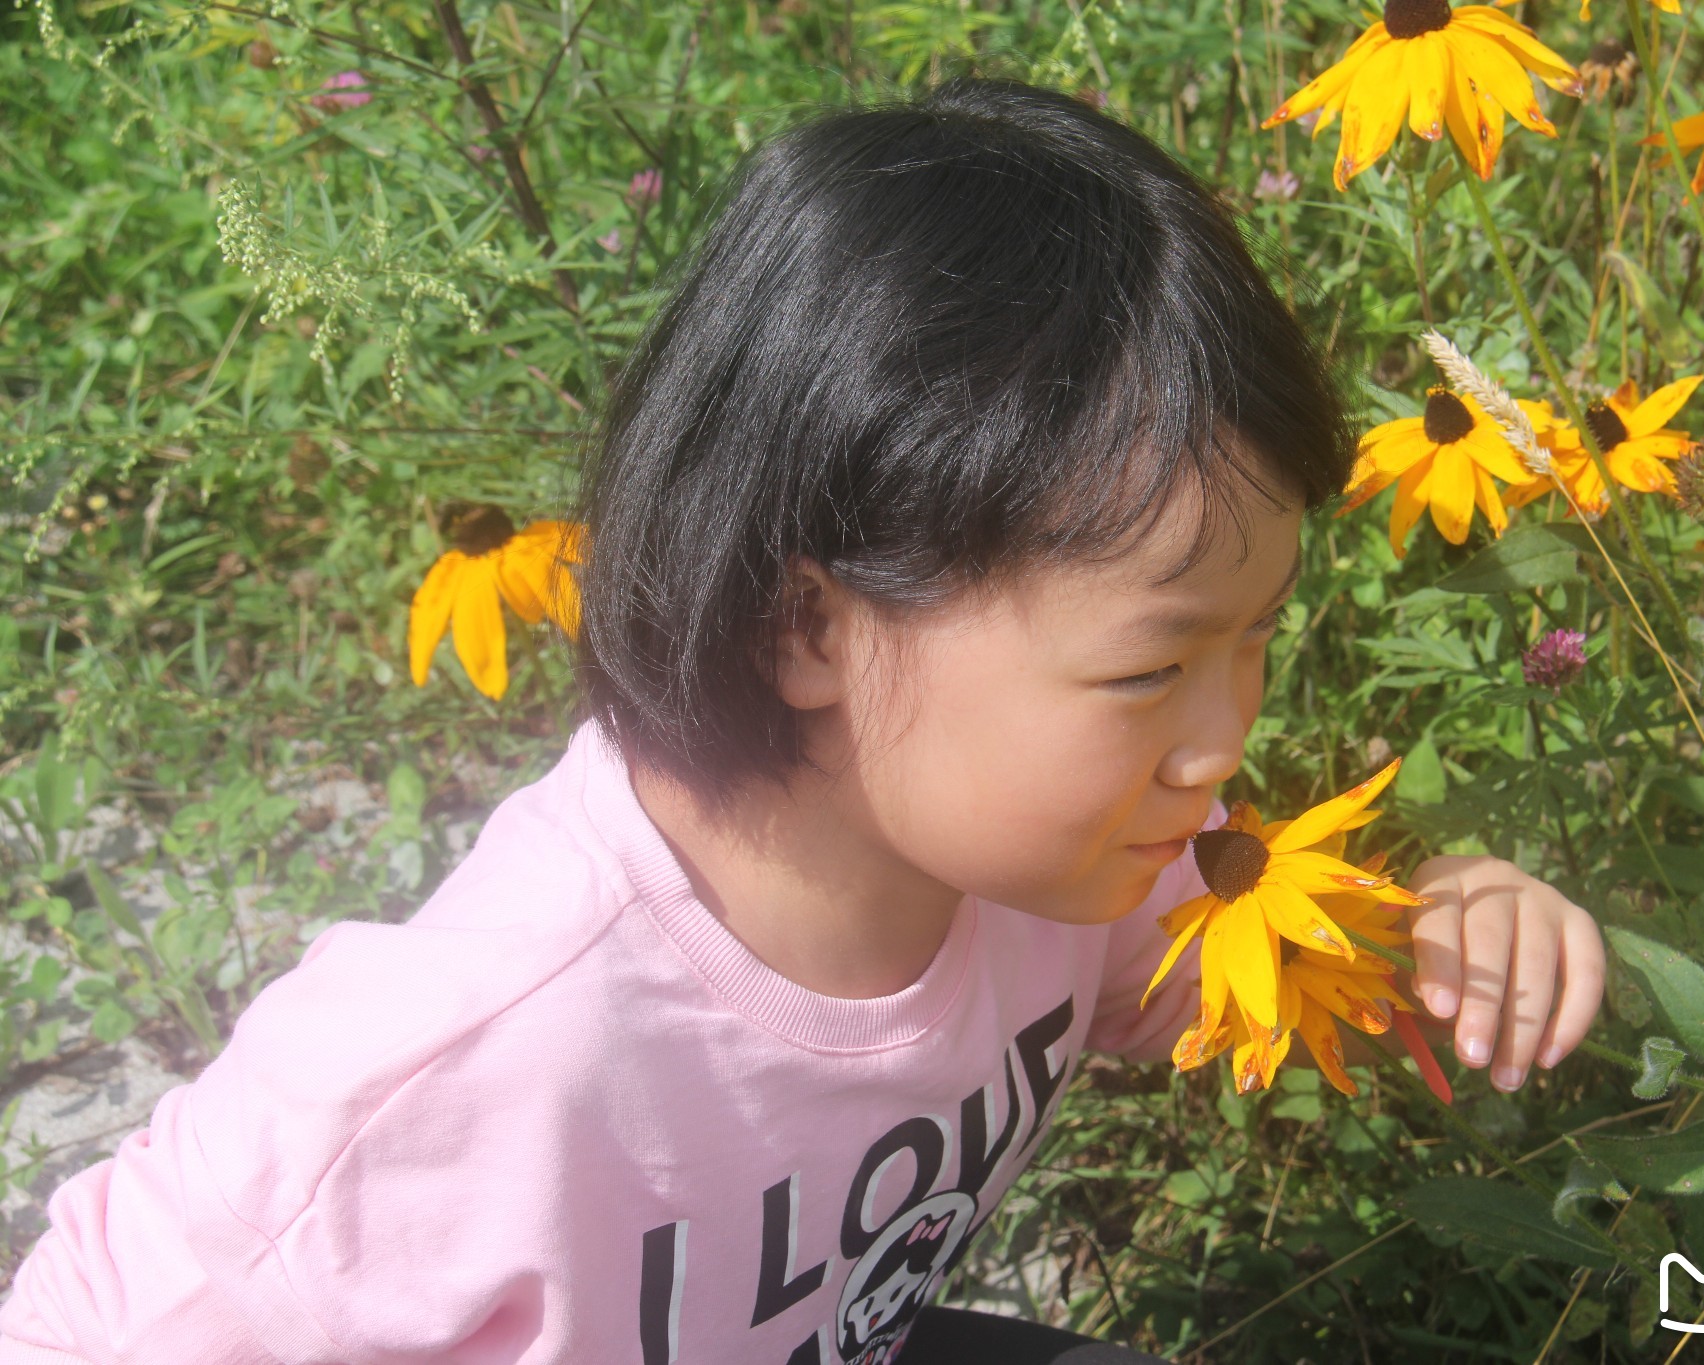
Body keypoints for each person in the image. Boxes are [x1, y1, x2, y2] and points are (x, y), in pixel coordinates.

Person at [0, 78, 1605, 1365]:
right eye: (1147, 670)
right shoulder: (481, 1061)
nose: (1222, 743)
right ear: (809, 623)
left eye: (1254, 642)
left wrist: (1430, 924)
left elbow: (1231, 967)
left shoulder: (1076, 868)